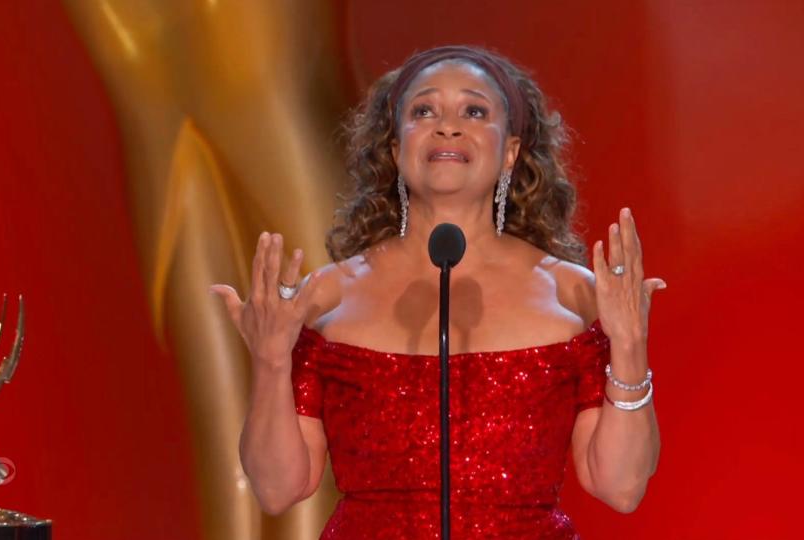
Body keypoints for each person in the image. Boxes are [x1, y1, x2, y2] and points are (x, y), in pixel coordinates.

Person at [211, 45, 665, 539]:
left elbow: (620, 488)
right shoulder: (326, 297)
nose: (447, 126)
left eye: (474, 111)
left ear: (510, 151)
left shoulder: (574, 297)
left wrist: (630, 348)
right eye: (424, 110)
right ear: (394, 149)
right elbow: (278, 490)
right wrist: (273, 363)